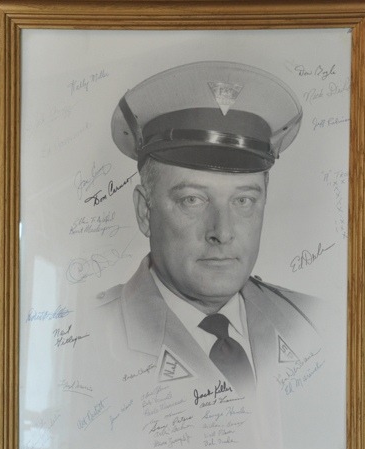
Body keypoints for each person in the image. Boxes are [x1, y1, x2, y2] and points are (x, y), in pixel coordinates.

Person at [95, 61, 322, 396]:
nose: (222, 232)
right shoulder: (90, 338)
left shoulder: (317, 323)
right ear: (145, 212)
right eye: (192, 200)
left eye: (243, 200)